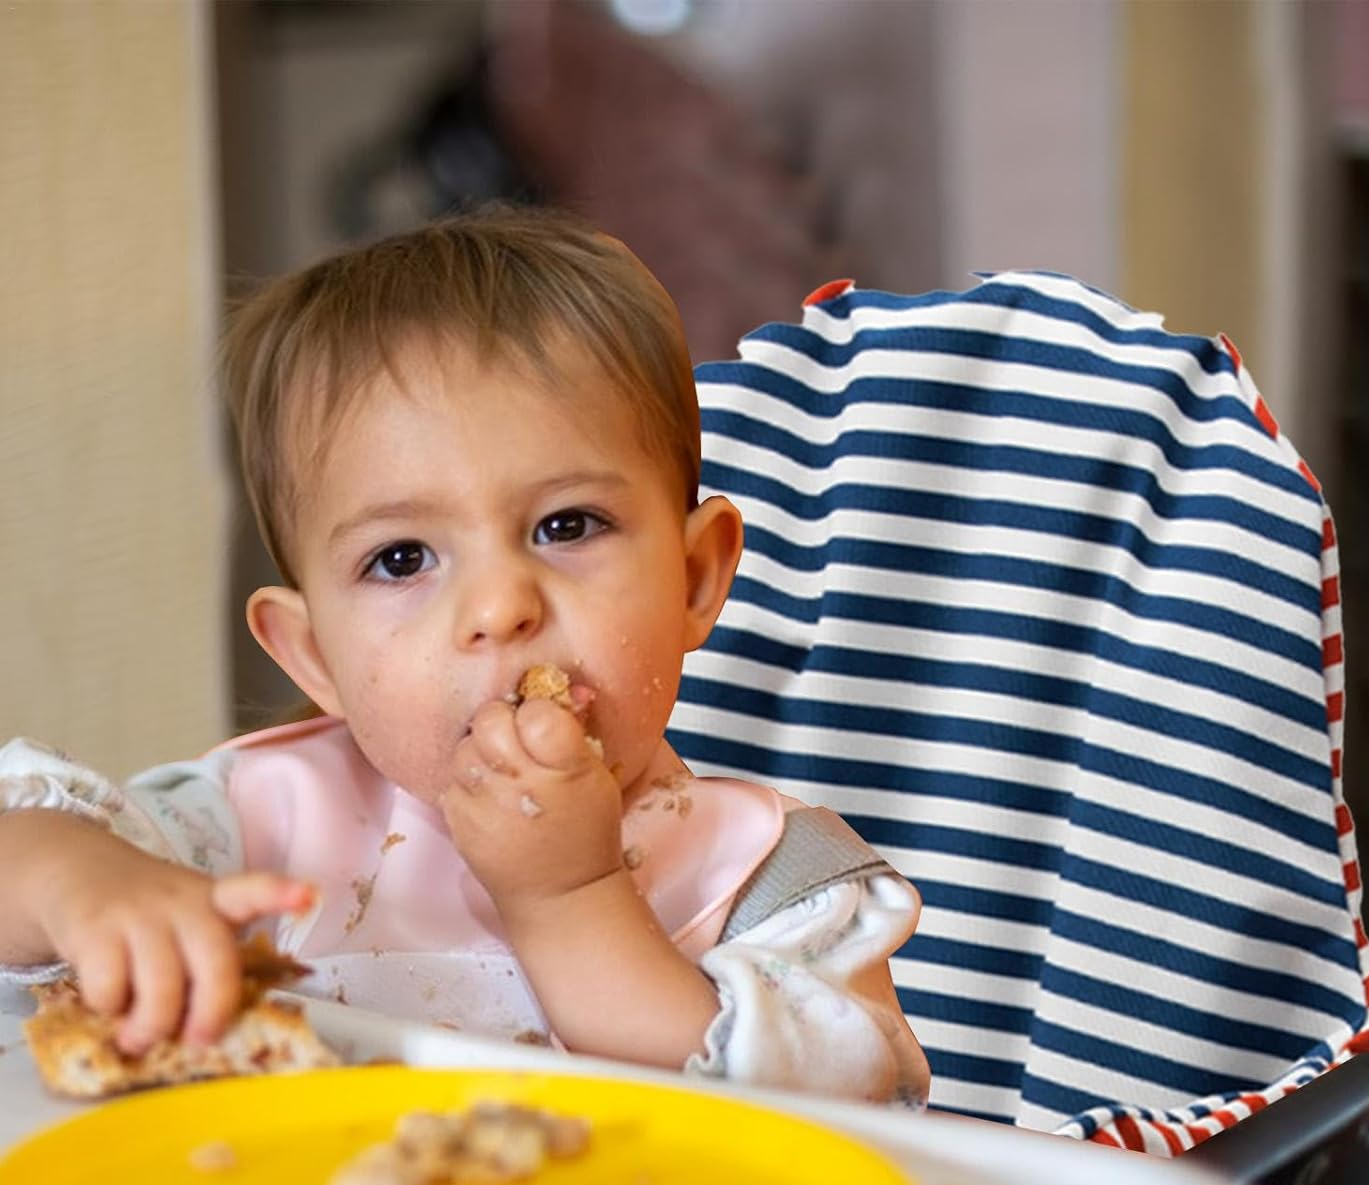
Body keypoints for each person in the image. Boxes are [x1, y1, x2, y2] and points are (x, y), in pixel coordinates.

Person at [0, 207, 929, 1106]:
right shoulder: (252, 832)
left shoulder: (772, 882)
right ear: (315, 655)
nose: (498, 608)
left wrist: (569, 897)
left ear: (693, 578)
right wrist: (85, 884)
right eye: (401, 559)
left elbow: (822, 1132)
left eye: (567, 525)